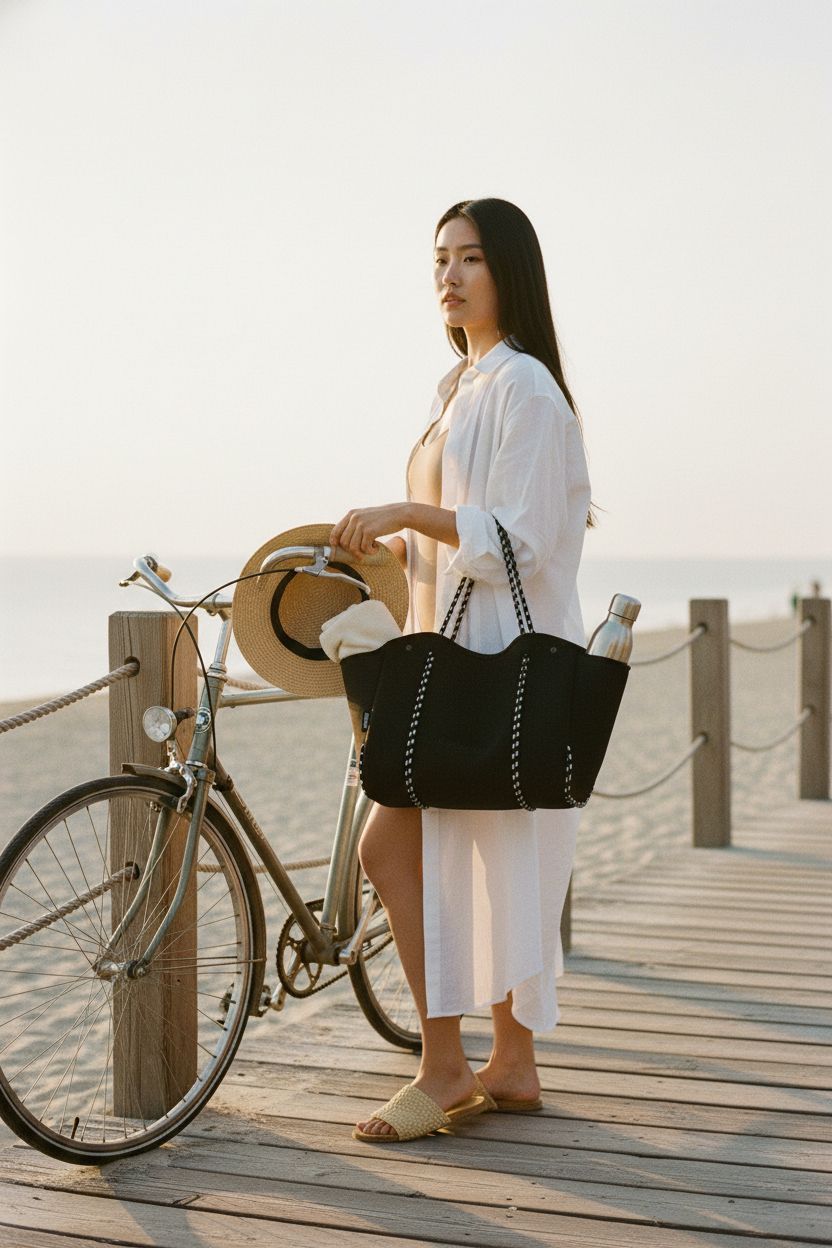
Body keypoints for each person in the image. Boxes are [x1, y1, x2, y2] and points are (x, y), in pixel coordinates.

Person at [329, 197, 593, 1143]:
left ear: (508, 271)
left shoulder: (524, 388)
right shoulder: (460, 387)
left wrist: (408, 512)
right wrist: (394, 559)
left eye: (470, 258)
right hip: (451, 650)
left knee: (399, 848)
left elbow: (519, 541)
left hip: (492, 667)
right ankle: (509, 1062)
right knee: (469, 857)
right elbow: (463, 540)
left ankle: (447, 1068)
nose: (448, 274)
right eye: (440, 257)